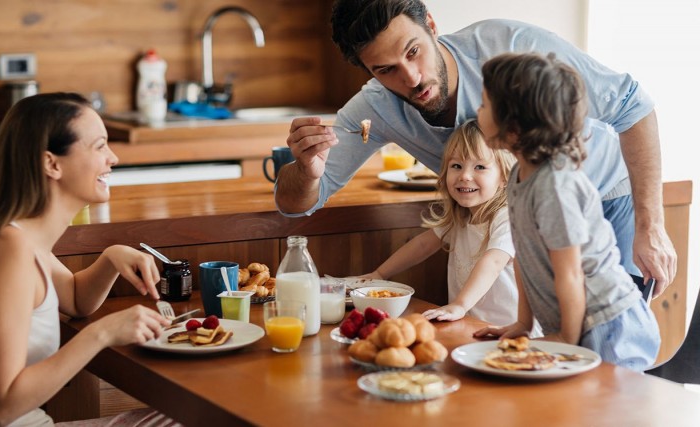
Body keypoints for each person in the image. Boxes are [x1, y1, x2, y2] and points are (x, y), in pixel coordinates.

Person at [274, 0, 676, 297]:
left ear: (431, 25)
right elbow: (297, 203)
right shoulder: (372, 108)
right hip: (525, 223)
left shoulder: (511, 45)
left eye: (413, 51)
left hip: (605, 198)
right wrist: (305, 172)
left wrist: (650, 225)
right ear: (368, 72)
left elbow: (633, 107)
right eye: (386, 69)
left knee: (607, 359)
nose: (411, 78)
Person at [0, 93, 178, 426]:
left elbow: (76, 299)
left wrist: (111, 258)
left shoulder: (18, 237)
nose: (113, 157)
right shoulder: (9, 250)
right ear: (51, 163)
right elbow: (2, 407)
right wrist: (101, 335)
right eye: (99, 146)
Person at [472, 52, 660, 370]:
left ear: (515, 127)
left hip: (607, 325)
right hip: (577, 323)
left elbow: (570, 272)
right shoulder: (520, 176)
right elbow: (525, 256)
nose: (476, 112)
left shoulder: (555, 187)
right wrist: (523, 323)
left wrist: (566, 341)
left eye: (484, 105)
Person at [361, 120, 523, 328]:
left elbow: (493, 263)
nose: (465, 176)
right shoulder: (461, 216)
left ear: (505, 177)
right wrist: (380, 274)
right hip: (469, 325)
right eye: (456, 166)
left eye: (480, 167)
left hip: (508, 333)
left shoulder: (508, 218)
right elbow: (422, 245)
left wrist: (460, 305)